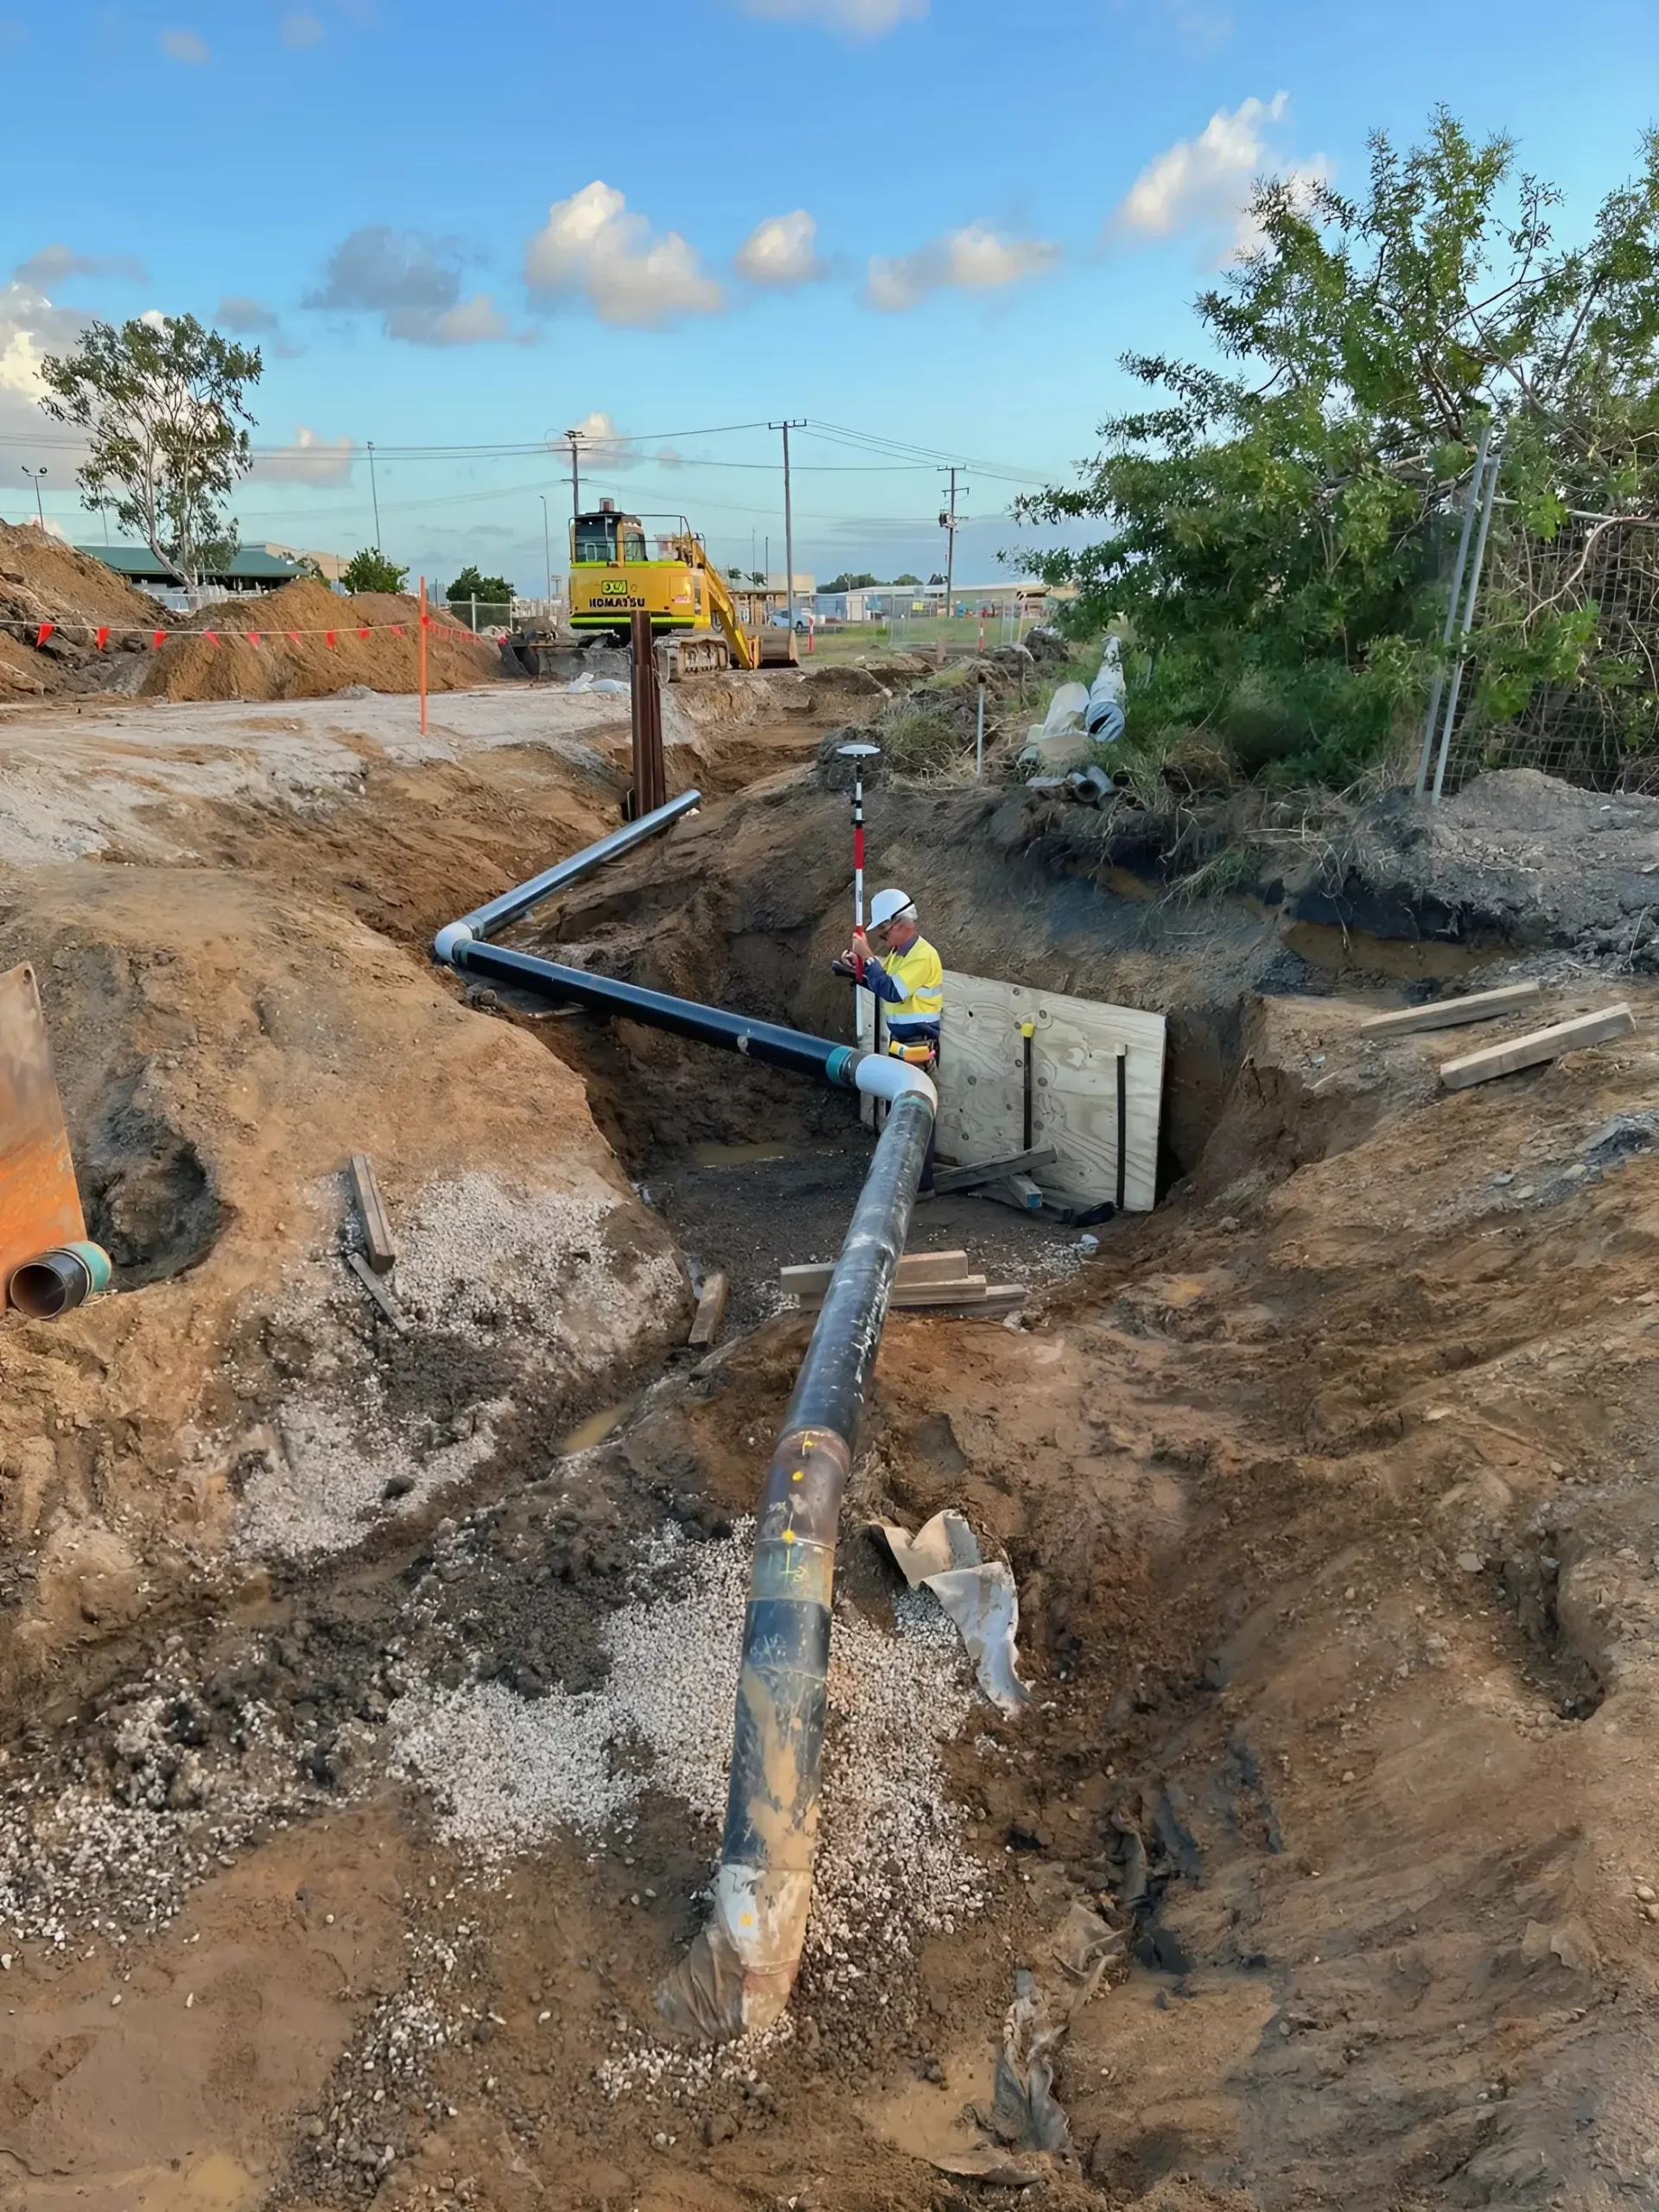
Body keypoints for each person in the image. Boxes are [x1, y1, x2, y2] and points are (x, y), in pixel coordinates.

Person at [838, 887, 944, 1191]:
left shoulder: (922, 956)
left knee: (915, 1116)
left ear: (899, 925)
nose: (882, 939)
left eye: (882, 932)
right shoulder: (900, 954)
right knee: (902, 1115)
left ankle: (919, 1187)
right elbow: (882, 983)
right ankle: (904, 1182)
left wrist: (868, 958)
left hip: (918, 1048)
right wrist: (856, 968)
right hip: (903, 1047)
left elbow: (893, 992)